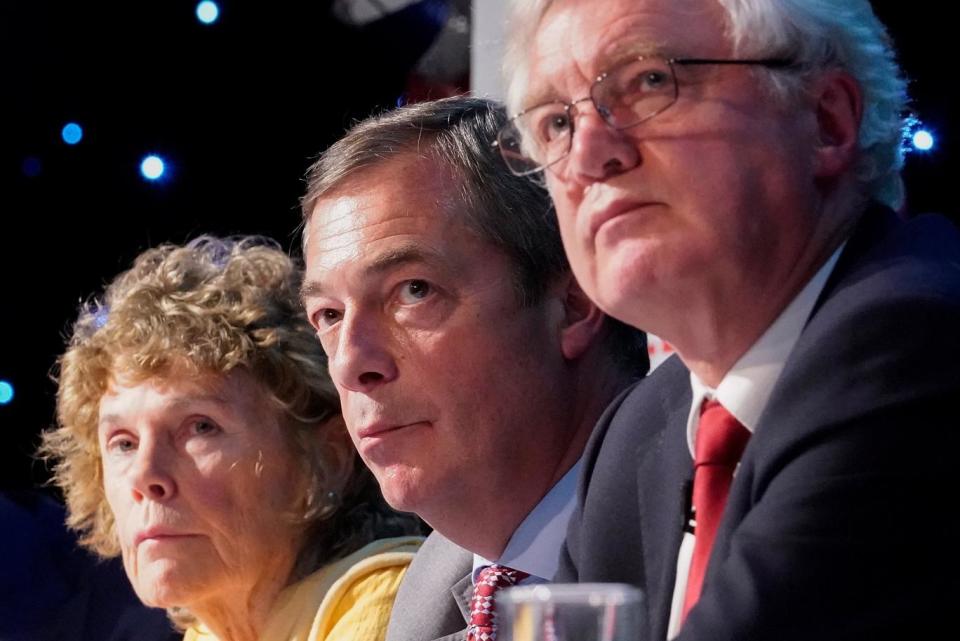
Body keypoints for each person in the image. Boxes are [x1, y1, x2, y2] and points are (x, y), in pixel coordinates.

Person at [499, 1, 960, 640]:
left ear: (826, 121)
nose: (588, 157)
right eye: (555, 124)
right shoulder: (636, 436)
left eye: (650, 82)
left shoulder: (912, 341)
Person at [299, 96, 651, 641]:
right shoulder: (431, 592)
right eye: (328, 315)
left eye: (412, 291)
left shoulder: (698, 531)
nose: (349, 363)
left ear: (576, 302)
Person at [41, 236, 423, 641]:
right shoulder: (210, 634)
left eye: (200, 427)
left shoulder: (396, 607)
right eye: (123, 442)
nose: (145, 477)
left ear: (326, 459)